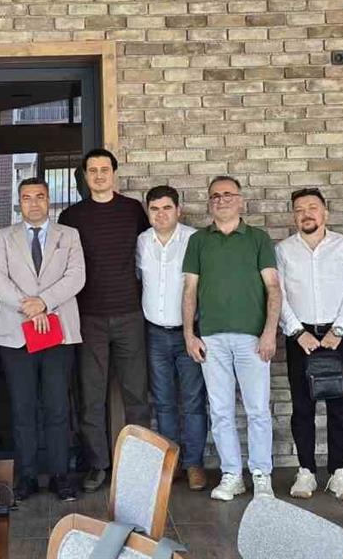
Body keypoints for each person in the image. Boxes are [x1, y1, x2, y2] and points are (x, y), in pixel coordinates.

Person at [58, 149, 152, 493]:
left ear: (114, 173)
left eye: (104, 169)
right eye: (92, 170)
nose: (99, 175)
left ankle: (139, 467)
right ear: (85, 176)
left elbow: (147, 254)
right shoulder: (71, 216)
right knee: (91, 397)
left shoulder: (132, 210)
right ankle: (98, 464)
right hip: (88, 317)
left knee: (136, 394)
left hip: (130, 314)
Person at [182, 176, 281, 501]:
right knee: (221, 411)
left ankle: (261, 475)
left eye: (228, 194)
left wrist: (270, 332)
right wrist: (189, 334)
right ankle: (232, 475)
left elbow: (273, 287)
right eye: (215, 196)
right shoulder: (198, 240)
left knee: (257, 410)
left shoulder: (258, 238)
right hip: (211, 339)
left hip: (253, 339)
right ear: (209, 202)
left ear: (240, 200)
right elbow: (190, 290)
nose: (221, 200)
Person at [0, 177, 85, 502]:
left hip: (59, 331)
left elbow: (77, 276)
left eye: (40, 196)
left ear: (48, 200)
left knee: (58, 407)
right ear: (19, 203)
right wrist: (28, 306)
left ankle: (60, 475)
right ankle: (27, 476)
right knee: (23, 407)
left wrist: (43, 302)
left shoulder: (69, 235)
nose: (34, 203)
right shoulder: (4, 237)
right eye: (27, 197)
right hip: (17, 333)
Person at [276, 188, 343, 501]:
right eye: (299, 209)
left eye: (312, 207)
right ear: (293, 216)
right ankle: (306, 472)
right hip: (300, 336)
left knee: (339, 407)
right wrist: (297, 332)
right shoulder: (283, 250)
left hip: (338, 334)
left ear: (325, 212)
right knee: (302, 408)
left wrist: (338, 329)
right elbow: (278, 294)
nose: (306, 213)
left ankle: (339, 472)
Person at [135, 185, 205, 490]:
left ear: (179, 210)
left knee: (193, 402)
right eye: (154, 209)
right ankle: (171, 464)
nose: (160, 214)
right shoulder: (141, 241)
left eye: (166, 208)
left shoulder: (194, 240)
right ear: (148, 212)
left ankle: (194, 464)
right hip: (154, 333)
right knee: (163, 403)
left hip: (188, 334)